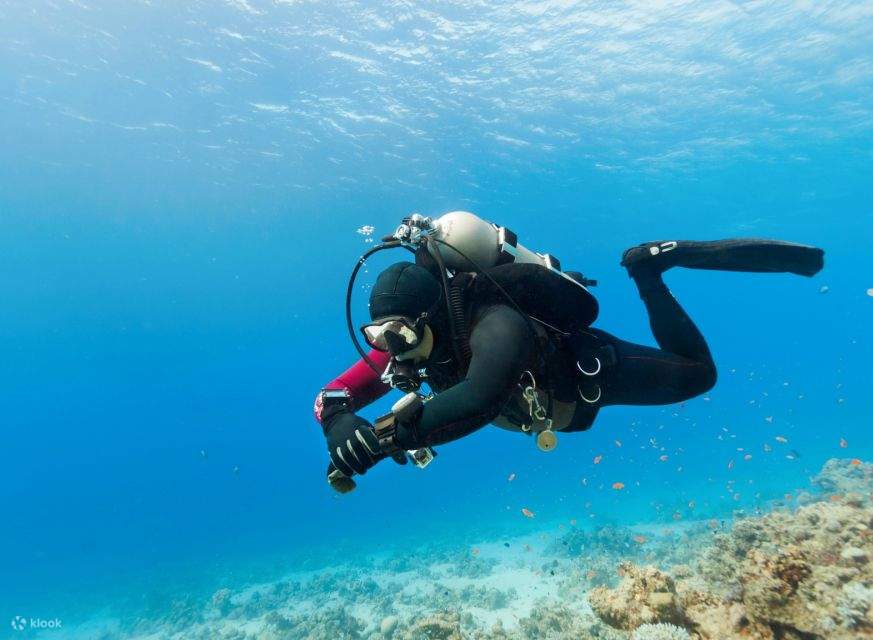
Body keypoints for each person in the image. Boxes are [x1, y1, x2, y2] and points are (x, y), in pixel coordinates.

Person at [314, 217, 824, 485]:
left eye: (397, 335)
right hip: (546, 408)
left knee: (700, 376)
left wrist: (382, 439)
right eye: (378, 336)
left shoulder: (496, 323)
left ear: (429, 316)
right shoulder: (405, 344)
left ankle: (648, 272)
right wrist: (340, 424)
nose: (390, 351)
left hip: (584, 374)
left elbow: (481, 396)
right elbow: (332, 396)